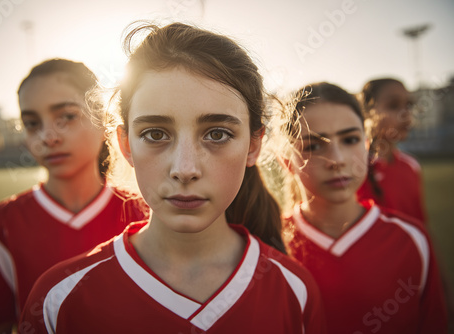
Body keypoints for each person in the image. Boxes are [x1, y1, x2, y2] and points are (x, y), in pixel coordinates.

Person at [18, 22, 326, 334]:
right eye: (155, 134)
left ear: (253, 144)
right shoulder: (57, 300)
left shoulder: (295, 290)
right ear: (125, 144)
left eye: (217, 134)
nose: (185, 168)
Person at [0, 59, 149, 333]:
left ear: (103, 120)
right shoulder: (3, 221)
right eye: (32, 123)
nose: (47, 136)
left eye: (66, 116)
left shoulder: (144, 212)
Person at [280, 82, 448, 333]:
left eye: (350, 139)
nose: (337, 159)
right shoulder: (268, 244)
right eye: (314, 145)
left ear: (367, 144)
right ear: (286, 160)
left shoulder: (412, 240)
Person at [357, 78, 427, 223]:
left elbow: (419, 225)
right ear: (367, 113)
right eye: (394, 106)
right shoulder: (354, 169)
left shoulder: (411, 166)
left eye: (409, 105)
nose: (406, 114)